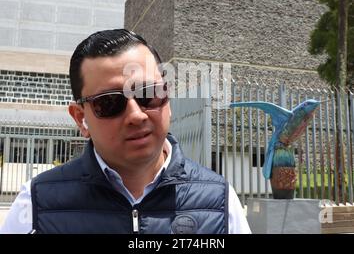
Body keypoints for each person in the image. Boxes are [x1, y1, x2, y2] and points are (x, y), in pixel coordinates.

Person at [0, 29, 251, 234]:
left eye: (148, 94)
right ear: (80, 118)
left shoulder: (219, 200)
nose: (136, 115)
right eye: (109, 103)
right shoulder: (36, 205)